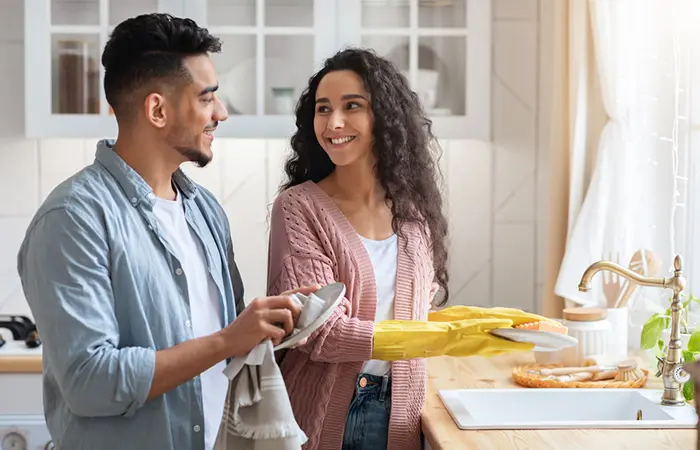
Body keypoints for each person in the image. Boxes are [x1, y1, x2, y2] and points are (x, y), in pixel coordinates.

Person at [16, 13, 312, 450]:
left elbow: (223, 349)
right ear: (157, 109)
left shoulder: (204, 210)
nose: (222, 112)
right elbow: (90, 382)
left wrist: (269, 326)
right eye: (207, 97)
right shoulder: (73, 218)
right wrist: (228, 339)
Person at [266, 48, 448, 450]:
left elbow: (418, 313)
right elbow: (320, 334)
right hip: (328, 411)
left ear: (384, 116)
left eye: (353, 106)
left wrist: (469, 330)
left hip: (403, 409)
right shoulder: (299, 208)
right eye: (323, 108)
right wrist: (441, 338)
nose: (334, 123)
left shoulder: (414, 215)